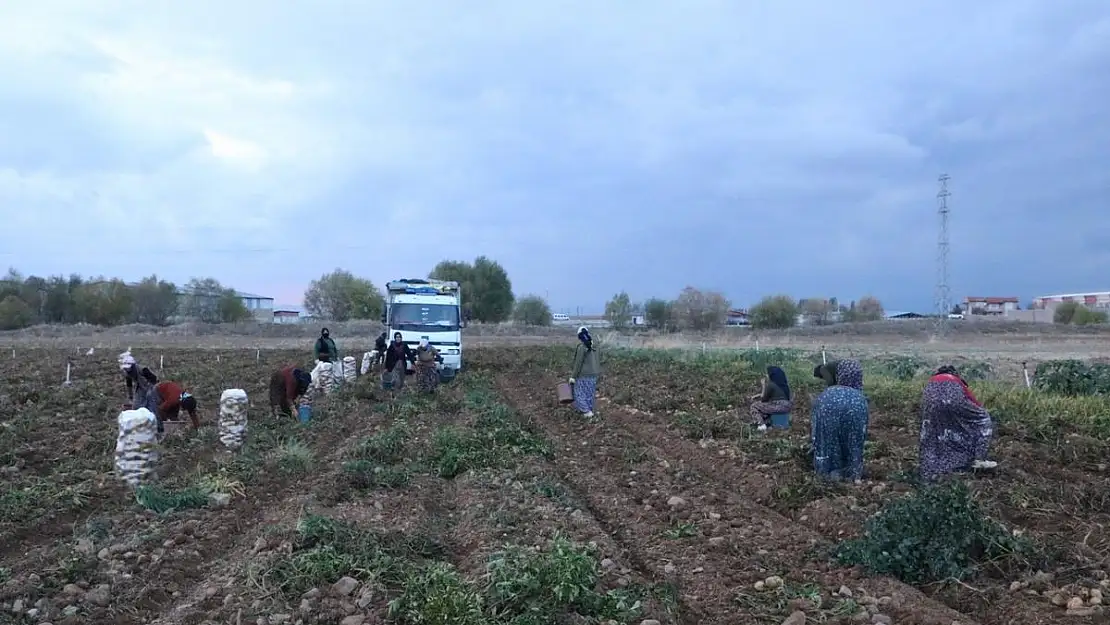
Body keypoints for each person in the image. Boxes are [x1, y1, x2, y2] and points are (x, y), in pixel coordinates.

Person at [919, 365, 995, 480]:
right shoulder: (956, 381)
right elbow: (974, 402)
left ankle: (930, 468)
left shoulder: (931, 381)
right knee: (983, 419)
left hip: (931, 404)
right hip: (954, 399)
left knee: (933, 430)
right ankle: (979, 458)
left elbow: (925, 401)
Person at [810, 360, 868, 481]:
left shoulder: (823, 371)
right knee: (852, 438)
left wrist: (832, 393)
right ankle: (853, 471)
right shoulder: (859, 397)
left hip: (833, 396)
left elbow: (830, 382)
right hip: (855, 394)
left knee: (829, 438)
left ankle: (827, 470)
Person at [569, 326, 601, 419]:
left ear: (579, 337)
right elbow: (598, 360)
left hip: (583, 374)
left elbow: (578, 364)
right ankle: (590, 410)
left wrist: (573, 377)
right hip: (594, 374)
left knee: (578, 393)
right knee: (589, 393)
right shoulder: (596, 346)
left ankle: (586, 411)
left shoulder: (581, 347)